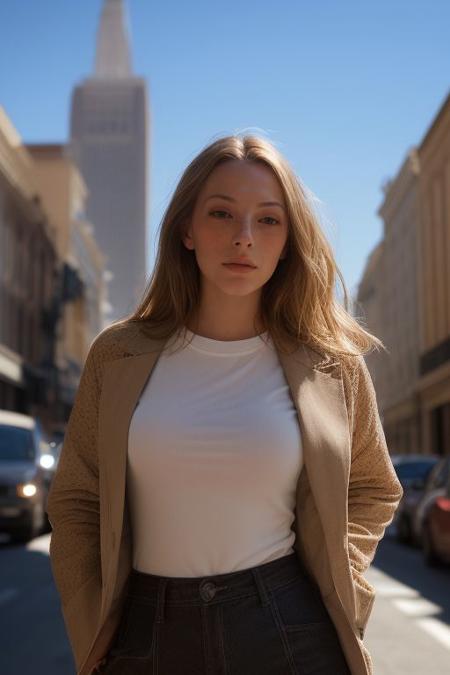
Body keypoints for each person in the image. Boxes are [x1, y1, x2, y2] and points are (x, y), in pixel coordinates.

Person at [46, 134, 404, 675]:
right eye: (221, 214)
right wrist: (89, 624)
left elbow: (373, 487)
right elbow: (77, 497)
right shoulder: (117, 354)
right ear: (186, 229)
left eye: (267, 220)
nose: (244, 238)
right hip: (144, 632)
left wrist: (342, 575)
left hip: (286, 626)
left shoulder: (331, 364)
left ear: (288, 240)